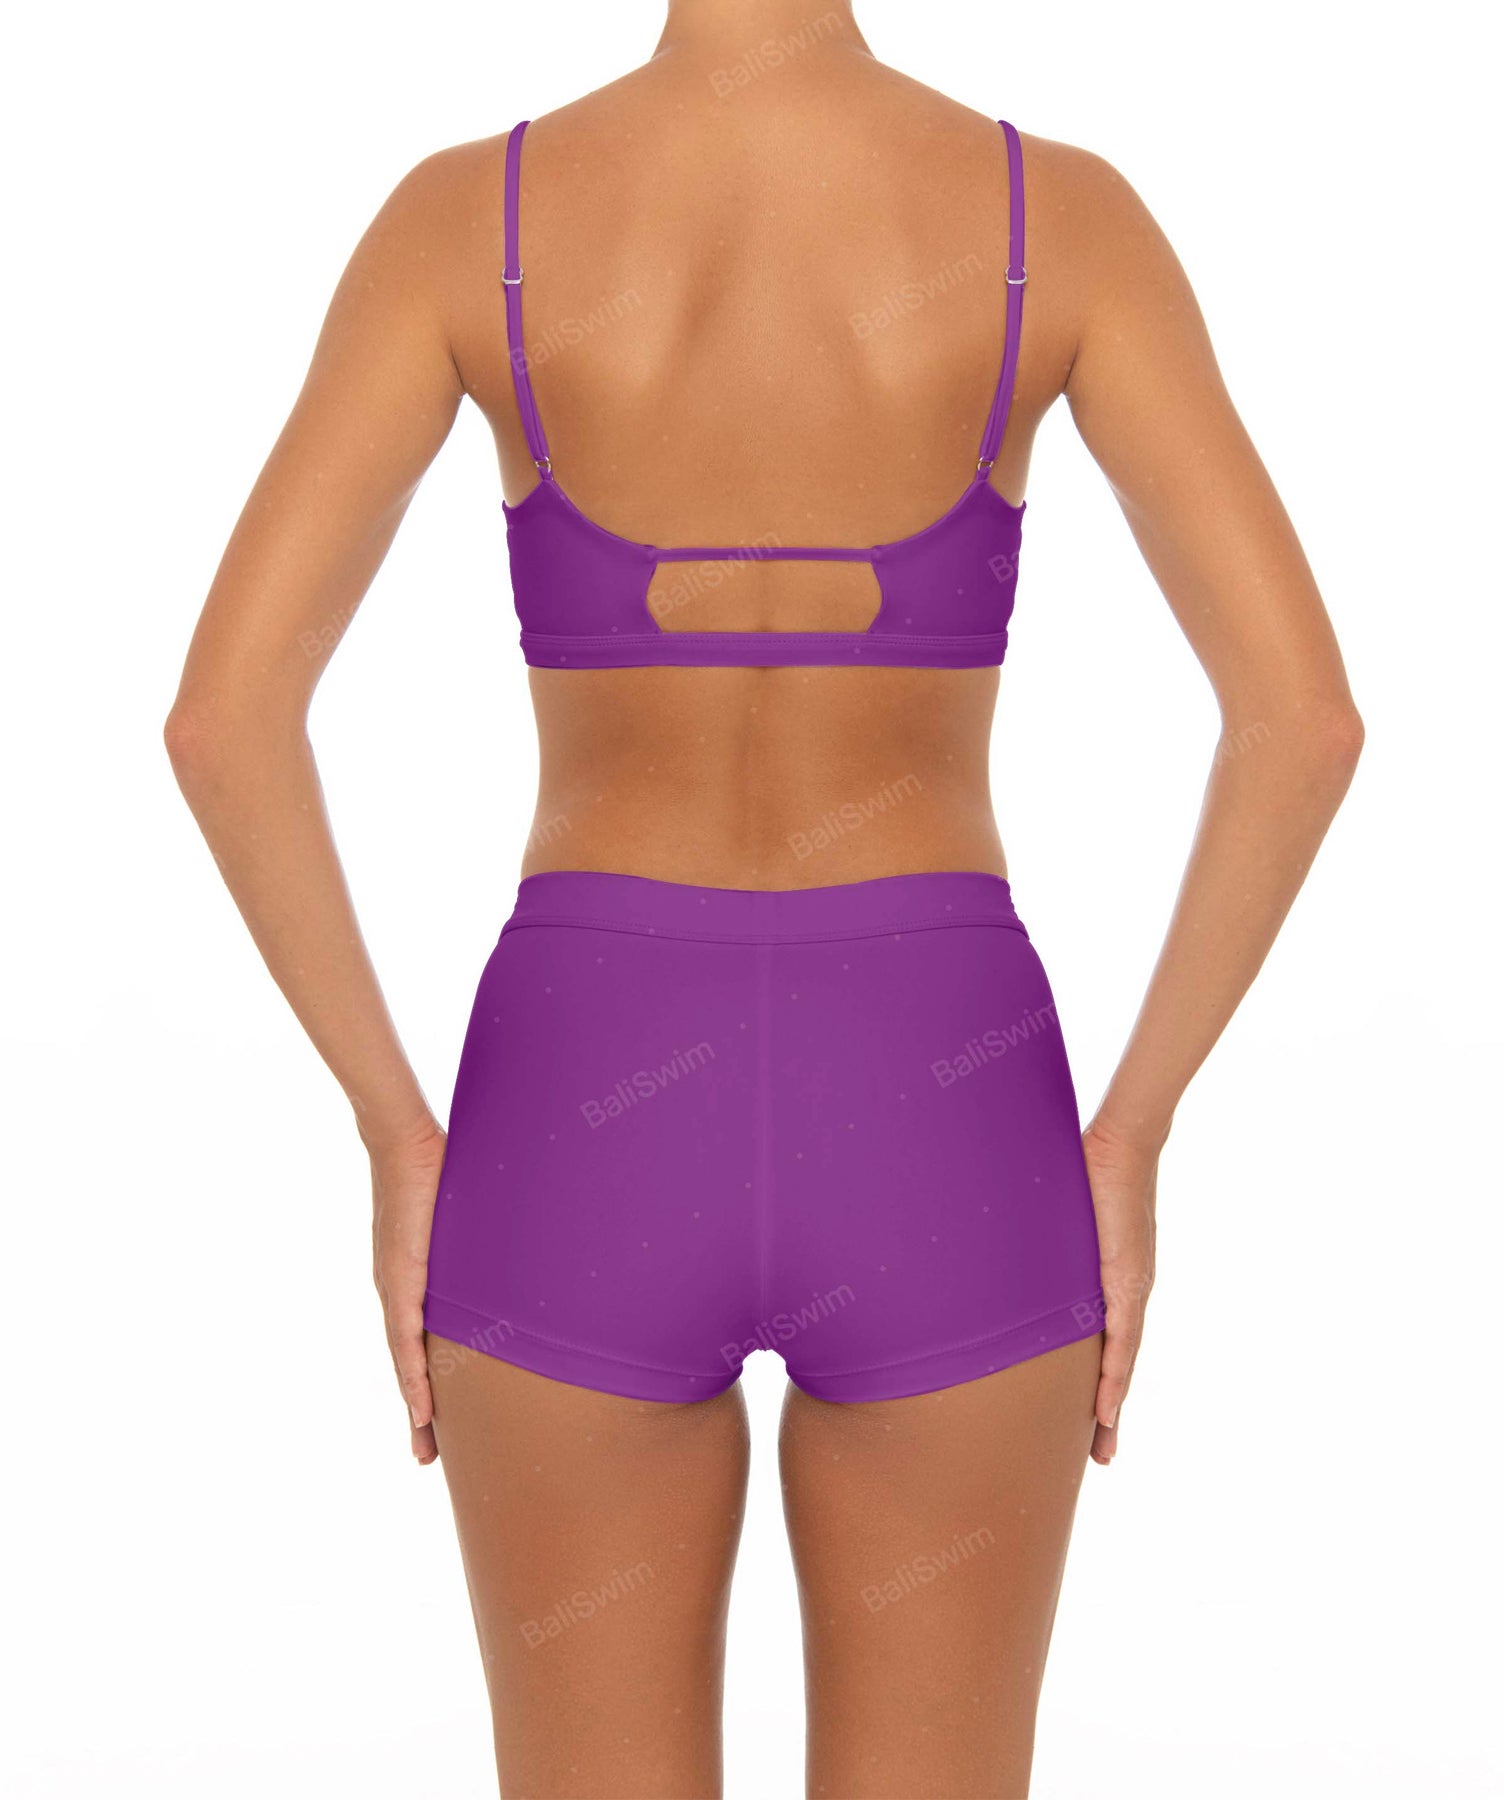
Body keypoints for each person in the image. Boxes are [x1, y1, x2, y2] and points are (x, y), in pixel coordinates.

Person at [165, 2, 1363, 1792]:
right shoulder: (1056, 219)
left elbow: (224, 718)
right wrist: (1133, 1133)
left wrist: (394, 1132)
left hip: (582, 1100)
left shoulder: (468, 220)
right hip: (943, 1103)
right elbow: (1303, 721)